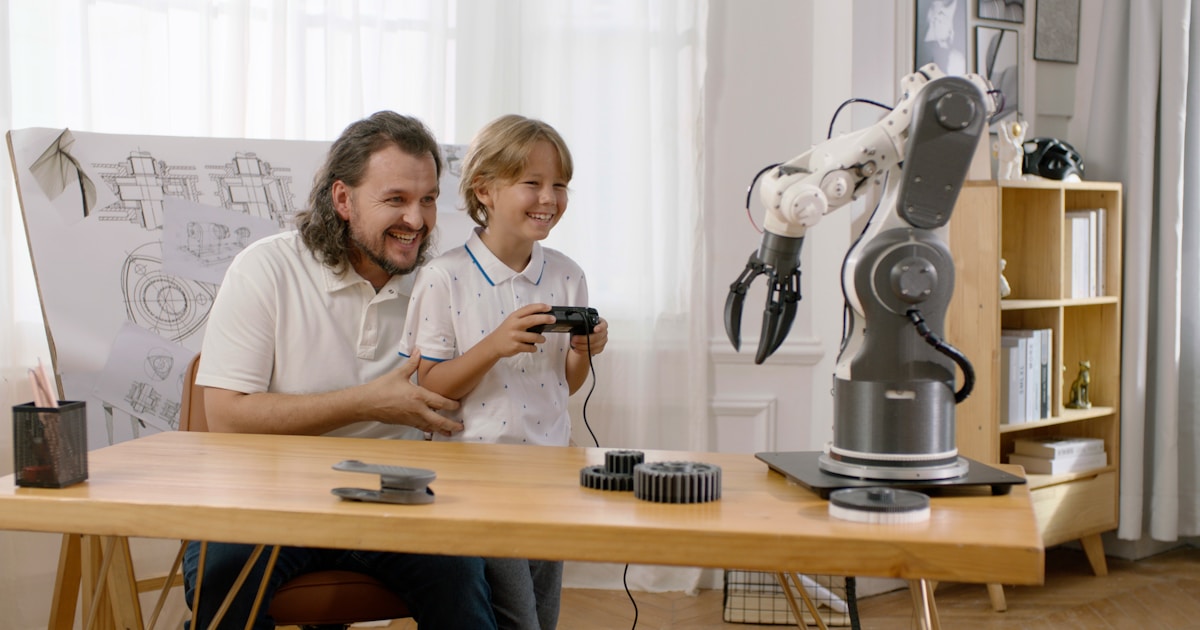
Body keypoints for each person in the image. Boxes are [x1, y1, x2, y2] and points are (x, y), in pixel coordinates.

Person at [183, 111, 498, 630]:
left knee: (463, 588)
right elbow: (225, 418)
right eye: (395, 199)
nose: (416, 221)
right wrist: (366, 402)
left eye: (428, 199)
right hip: (269, 500)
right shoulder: (267, 268)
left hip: (398, 503)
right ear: (343, 200)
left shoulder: (441, 284)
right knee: (224, 582)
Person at [399, 114, 609, 629]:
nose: (549, 198)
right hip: (476, 477)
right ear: (484, 191)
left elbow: (563, 383)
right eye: (532, 183)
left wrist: (583, 351)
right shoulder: (443, 275)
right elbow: (429, 388)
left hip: (550, 470)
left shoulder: (567, 274)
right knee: (517, 618)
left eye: (559, 185)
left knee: (542, 612)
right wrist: (494, 346)